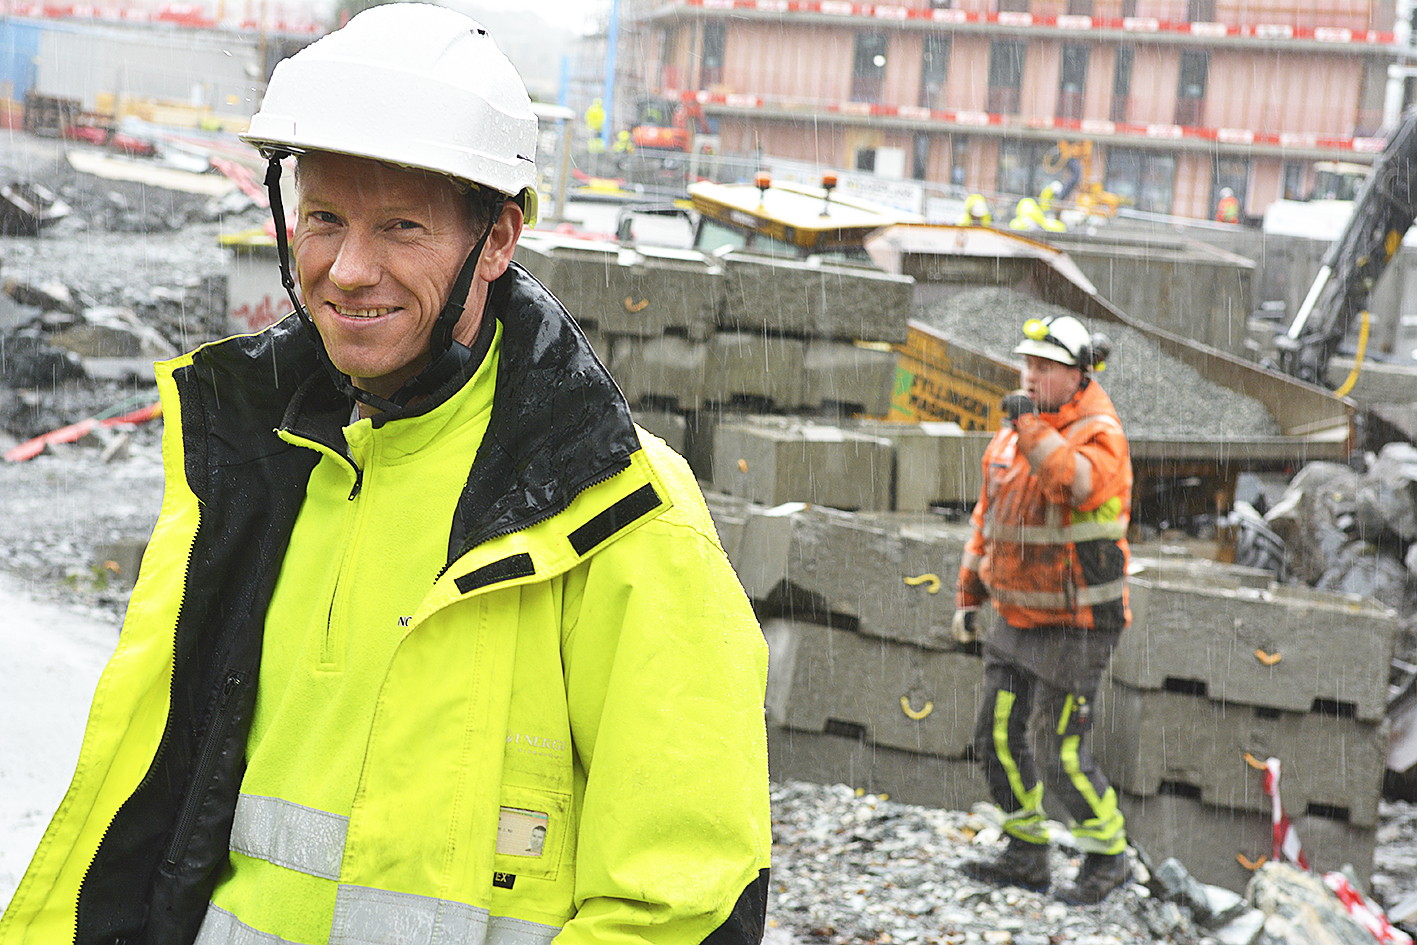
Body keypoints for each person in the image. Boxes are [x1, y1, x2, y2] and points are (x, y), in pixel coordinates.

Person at [0, 6, 772, 944]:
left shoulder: (620, 514)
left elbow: (681, 905)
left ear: (496, 240)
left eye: (401, 226)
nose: (348, 269)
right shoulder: (254, 472)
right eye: (324, 218)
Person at [952, 313, 1133, 905]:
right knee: (997, 735)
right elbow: (988, 518)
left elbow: (1070, 483)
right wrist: (967, 595)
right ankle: (1026, 852)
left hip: (1077, 625)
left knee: (1059, 753)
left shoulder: (1098, 433)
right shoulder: (1014, 430)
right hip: (1017, 618)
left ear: (1078, 375)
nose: (1030, 377)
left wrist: (1030, 427)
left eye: (1045, 368)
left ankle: (1108, 858)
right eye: (1027, 364)